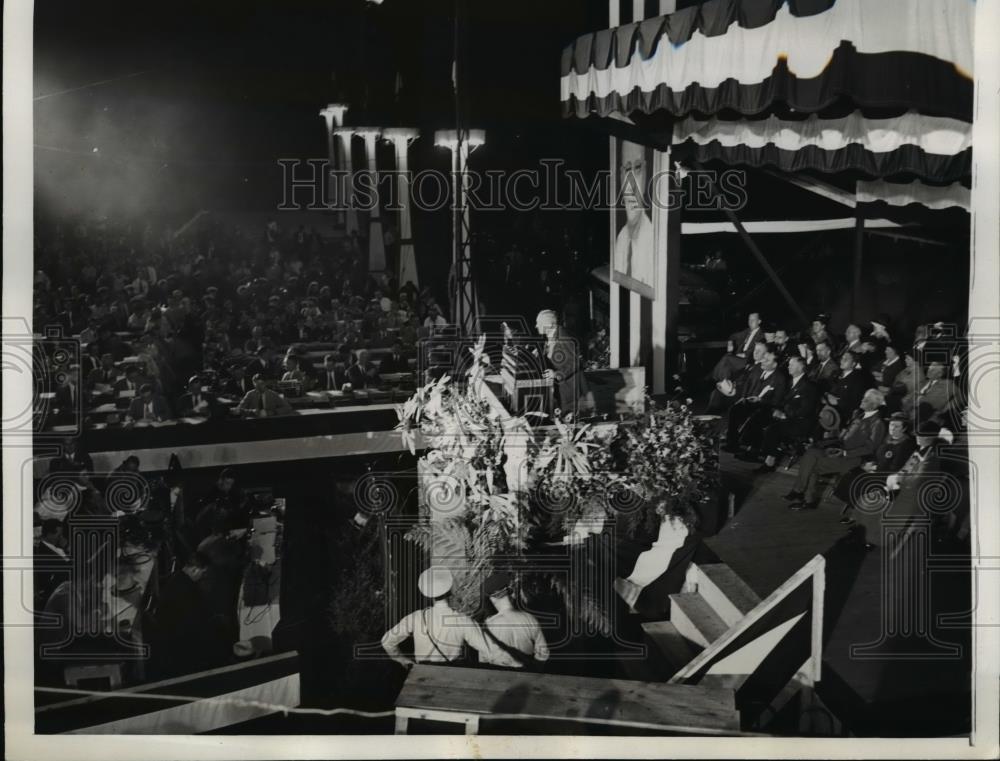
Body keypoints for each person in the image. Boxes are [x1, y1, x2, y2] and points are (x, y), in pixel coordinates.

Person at [785, 389, 887, 511]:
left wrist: (845, 453)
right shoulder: (858, 414)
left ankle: (806, 497)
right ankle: (800, 492)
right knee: (810, 452)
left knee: (813, 465)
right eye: (864, 397)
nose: (862, 400)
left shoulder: (877, 423)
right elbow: (844, 436)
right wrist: (827, 444)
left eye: (866, 399)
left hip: (852, 459)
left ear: (874, 404)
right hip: (839, 450)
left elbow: (870, 448)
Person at [852, 419, 944, 550]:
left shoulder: (931, 457)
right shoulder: (919, 451)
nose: (918, 437)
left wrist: (899, 480)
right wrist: (895, 478)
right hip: (902, 489)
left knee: (882, 508)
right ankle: (861, 531)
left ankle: (873, 540)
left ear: (931, 438)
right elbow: (905, 469)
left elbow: (917, 480)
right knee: (869, 498)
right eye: (917, 434)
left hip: (914, 496)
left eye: (922, 435)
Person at [381, 566, 492, 667]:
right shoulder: (462, 620)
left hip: (421, 676)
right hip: (453, 675)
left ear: (428, 594)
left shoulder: (415, 618)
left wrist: (404, 660)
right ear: (450, 591)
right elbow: (489, 650)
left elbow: (387, 641)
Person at [834, 412, 916, 527]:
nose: (892, 428)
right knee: (852, 474)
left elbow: (897, 467)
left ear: (904, 428)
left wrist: (876, 469)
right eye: (891, 425)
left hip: (889, 477)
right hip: (876, 469)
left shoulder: (906, 445)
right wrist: (868, 464)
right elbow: (875, 454)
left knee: (862, 482)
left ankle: (857, 516)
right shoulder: (887, 439)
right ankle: (855, 508)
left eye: (897, 426)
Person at [755, 355, 820, 473]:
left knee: (772, 429)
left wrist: (785, 414)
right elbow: (783, 401)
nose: (788, 367)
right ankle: (759, 452)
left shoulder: (809, 386)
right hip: (788, 417)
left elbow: (806, 410)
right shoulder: (790, 382)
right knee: (760, 417)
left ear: (801, 367)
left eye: (792, 365)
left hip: (800, 422)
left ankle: (770, 462)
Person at [479, 572, 549, 670]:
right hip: (526, 676)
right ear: (510, 593)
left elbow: (483, 660)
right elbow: (543, 654)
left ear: (493, 599)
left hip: (499, 677)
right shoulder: (530, 618)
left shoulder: (488, 625)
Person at [724, 345, 787, 453]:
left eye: (767, 360)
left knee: (757, 416)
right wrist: (743, 398)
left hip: (765, 406)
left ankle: (752, 447)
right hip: (750, 402)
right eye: (763, 358)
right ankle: (732, 443)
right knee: (734, 409)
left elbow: (777, 401)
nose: (762, 361)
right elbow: (747, 384)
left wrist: (760, 400)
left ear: (775, 364)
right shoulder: (757, 369)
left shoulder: (780, 379)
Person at [613, 140, 655, 294]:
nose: (631, 183)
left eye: (637, 168)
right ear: (620, 175)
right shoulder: (621, 239)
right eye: (627, 170)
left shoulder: (654, 240)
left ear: (645, 172)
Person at [535, 309, 591, 417]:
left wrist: (556, 374)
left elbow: (576, 363)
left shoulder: (564, 337)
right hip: (563, 388)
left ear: (549, 325)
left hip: (571, 390)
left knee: (570, 421)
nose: (536, 326)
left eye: (539, 323)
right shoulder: (552, 335)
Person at [711, 312, 765, 382]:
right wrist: (730, 342)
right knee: (726, 368)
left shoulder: (761, 335)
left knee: (727, 357)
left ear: (759, 321)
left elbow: (757, 350)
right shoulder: (747, 331)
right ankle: (725, 384)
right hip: (739, 358)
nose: (750, 322)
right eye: (749, 320)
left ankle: (712, 379)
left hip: (748, 360)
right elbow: (733, 336)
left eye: (753, 320)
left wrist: (745, 354)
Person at [34, 518, 71, 612]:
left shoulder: (56, 547)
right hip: (58, 594)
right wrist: (67, 547)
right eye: (58, 535)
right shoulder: (43, 552)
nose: (61, 537)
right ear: (49, 534)